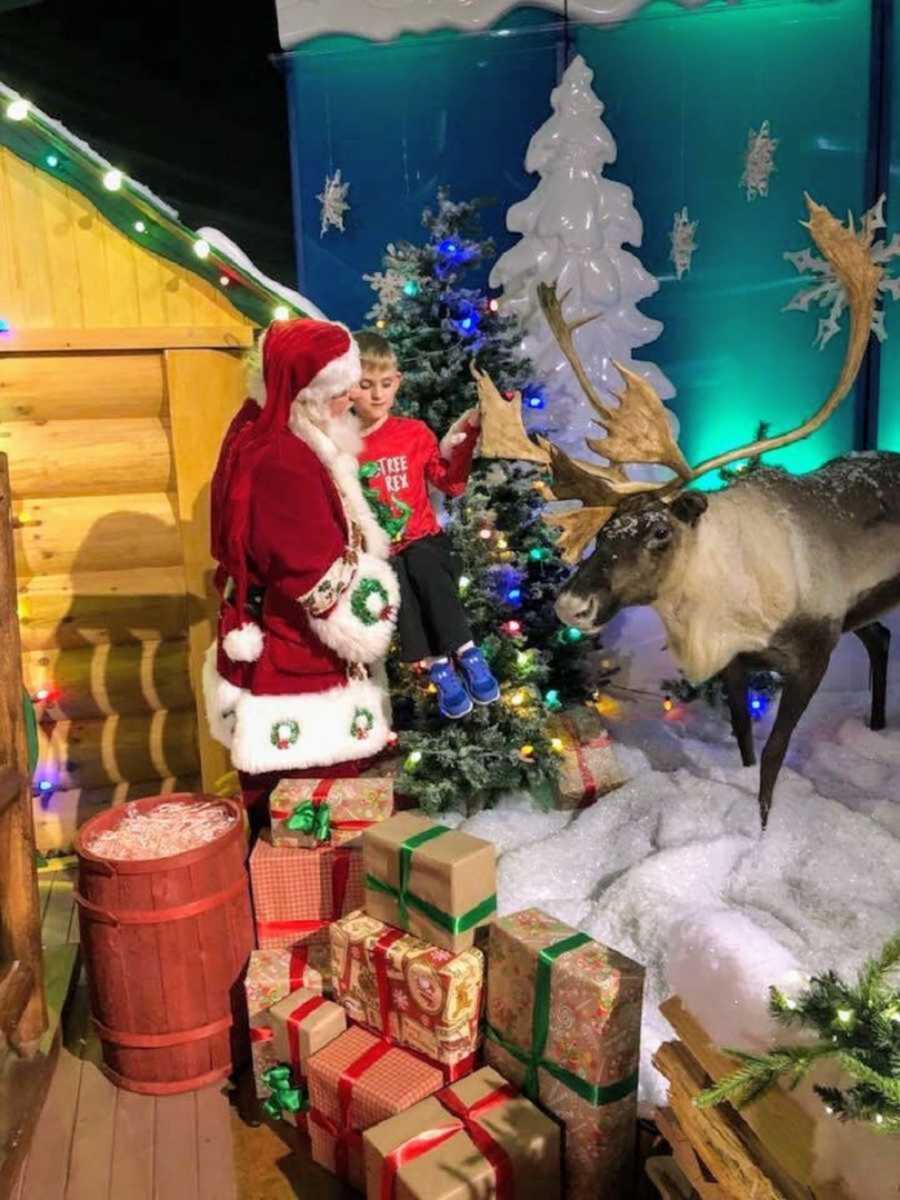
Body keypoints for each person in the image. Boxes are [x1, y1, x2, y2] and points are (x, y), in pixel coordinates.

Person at [204, 318, 400, 833]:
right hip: (299, 655)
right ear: (306, 393)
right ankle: (312, 903)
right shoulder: (283, 458)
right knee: (313, 805)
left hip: (273, 641)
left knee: (291, 806)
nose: (351, 402)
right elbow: (312, 574)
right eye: (340, 393)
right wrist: (369, 615)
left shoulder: (267, 427)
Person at [350, 330, 499, 719]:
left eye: (385, 384)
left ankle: (468, 653)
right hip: (384, 553)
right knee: (399, 584)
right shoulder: (342, 444)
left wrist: (466, 441)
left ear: (398, 380)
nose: (378, 395)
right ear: (348, 387)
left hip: (426, 542)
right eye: (366, 386)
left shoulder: (412, 433)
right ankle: (439, 667)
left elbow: (449, 482)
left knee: (420, 564)